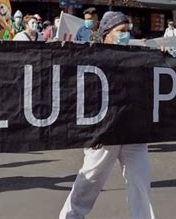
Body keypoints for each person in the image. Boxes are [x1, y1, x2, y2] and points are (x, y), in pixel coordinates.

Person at [60, 12, 155, 219]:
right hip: (104, 131)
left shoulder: (136, 54)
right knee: (90, 181)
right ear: (106, 34)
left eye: (128, 31)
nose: (125, 36)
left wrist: (163, 55)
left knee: (141, 182)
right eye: (120, 31)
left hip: (133, 130)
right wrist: (89, 131)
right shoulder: (91, 57)